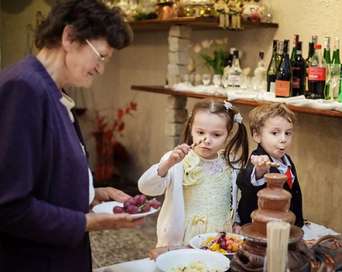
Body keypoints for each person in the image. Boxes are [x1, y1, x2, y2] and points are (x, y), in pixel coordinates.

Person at [0, 1, 143, 271]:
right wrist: (88, 222)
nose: (101, 69)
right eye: (101, 56)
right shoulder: (24, 88)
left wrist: (90, 193)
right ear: (69, 37)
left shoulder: (52, 91)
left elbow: (44, 176)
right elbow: (9, 206)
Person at [138, 98, 249, 251]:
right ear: (191, 128)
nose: (206, 140)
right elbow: (146, 187)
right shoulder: (177, 161)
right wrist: (167, 164)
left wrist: (236, 222)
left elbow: (235, 200)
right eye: (200, 132)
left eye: (216, 135)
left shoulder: (232, 164)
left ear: (228, 134)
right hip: (184, 235)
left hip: (219, 235)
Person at [237, 103, 304, 227]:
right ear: (257, 135)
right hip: (260, 228)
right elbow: (244, 182)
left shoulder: (286, 160)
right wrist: (259, 172)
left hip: (285, 225)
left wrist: (298, 223)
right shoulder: (258, 160)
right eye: (275, 133)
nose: (283, 139)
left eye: (288, 133)